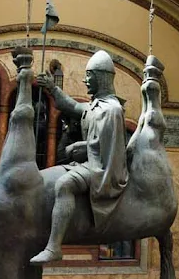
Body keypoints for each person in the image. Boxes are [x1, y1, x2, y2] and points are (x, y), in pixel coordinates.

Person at [30, 50, 128, 264]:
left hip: (103, 169)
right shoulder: (96, 106)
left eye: (89, 76)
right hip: (89, 162)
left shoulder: (111, 110)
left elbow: (112, 148)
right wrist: (52, 88)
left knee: (64, 185)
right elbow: (72, 106)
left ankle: (54, 246)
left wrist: (83, 146)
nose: (85, 81)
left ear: (101, 77)